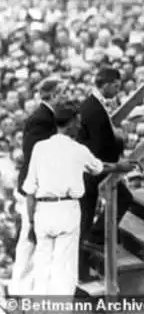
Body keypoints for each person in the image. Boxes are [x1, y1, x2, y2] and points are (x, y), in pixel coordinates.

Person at [21, 103, 134, 296]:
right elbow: (100, 167)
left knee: (43, 263)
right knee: (65, 267)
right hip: (66, 209)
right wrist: (120, 167)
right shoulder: (77, 149)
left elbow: (30, 189)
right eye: (78, 122)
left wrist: (32, 220)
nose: (80, 126)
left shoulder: (40, 148)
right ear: (71, 123)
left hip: (42, 210)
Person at [9, 77, 65, 296]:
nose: (65, 97)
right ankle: (19, 287)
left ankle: (29, 286)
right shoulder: (40, 119)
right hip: (35, 188)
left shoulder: (50, 117)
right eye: (62, 92)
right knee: (29, 238)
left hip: (42, 187)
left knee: (37, 238)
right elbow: (34, 154)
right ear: (51, 95)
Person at [77, 66, 133, 279]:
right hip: (95, 169)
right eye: (116, 86)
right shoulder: (93, 108)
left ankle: (82, 269)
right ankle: (95, 237)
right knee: (123, 199)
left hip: (94, 167)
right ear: (107, 84)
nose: (118, 90)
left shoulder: (94, 105)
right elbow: (99, 146)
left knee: (86, 217)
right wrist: (117, 163)